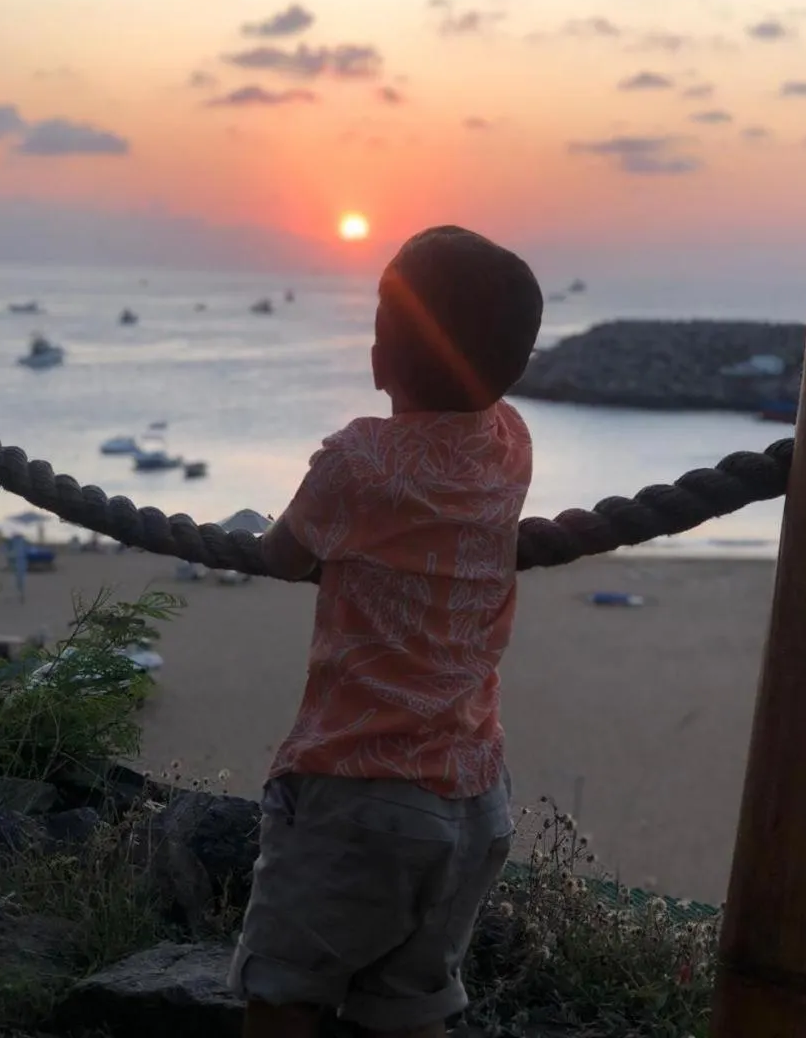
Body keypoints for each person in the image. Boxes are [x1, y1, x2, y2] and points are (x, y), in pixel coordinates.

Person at [229, 226, 544, 1038]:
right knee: (406, 1013)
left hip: (357, 793)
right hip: (474, 802)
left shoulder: (358, 460)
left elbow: (285, 551)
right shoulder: (512, 443)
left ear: (381, 357)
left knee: (286, 997)